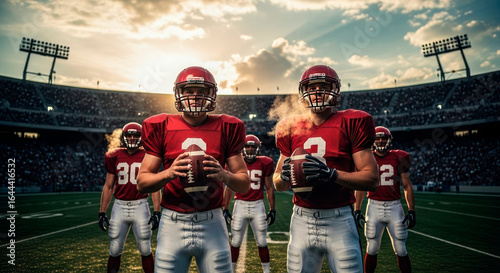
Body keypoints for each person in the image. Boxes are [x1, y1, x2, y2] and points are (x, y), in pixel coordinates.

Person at [136, 66, 251, 273]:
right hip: (173, 223)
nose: (195, 97)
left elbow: (244, 183)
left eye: (201, 91)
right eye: (189, 91)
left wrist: (224, 175)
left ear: (211, 95)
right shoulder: (161, 125)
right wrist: (169, 173)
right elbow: (142, 183)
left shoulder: (228, 126)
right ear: (179, 94)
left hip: (212, 222)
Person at [273, 64, 379, 273]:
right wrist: (283, 176)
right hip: (302, 219)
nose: (318, 91)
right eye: (312, 87)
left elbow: (372, 179)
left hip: (339, 219)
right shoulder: (291, 127)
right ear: (304, 93)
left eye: (324, 86)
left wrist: (331, 174)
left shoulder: (352, 121)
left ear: (335, 91)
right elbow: (278, 183)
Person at [99, 122, 161, 273]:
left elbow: (154, 187)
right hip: (119, 206)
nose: (132, 138)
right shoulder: (114, 156)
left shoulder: (148, 154)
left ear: (141, 137)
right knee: (114, 249)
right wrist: (102, 212)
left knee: (145, 248)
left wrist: (157, 211)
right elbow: (108, 186)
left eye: (136, 135)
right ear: (124, 137)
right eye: (129, 135)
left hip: (140, 205)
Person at [354, 126, 416, 273]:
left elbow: (407, 186)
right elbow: (361, 186)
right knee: (372, 247)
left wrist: (412, 210)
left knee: (401, 248)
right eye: (378, 138)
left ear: (389, 140)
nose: (381, 141)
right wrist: (357, 209)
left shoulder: (399, 156)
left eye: (384, 138)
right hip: (374, 206)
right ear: (373, 140)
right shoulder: (366, 157)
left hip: (395, 206)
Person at [223, 134, 276, 273]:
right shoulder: (235, 162)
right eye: (247, 146)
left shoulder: (266, 162)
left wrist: (272, 209)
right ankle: (231, 270)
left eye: (253, 146)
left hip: (258, 205)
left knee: (262, 242)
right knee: (235, 242)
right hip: (240, 204)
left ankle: (267, 271)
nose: (250, 149)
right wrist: (225, 208)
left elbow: (269, 187)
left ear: (258, 148)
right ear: (242, 147)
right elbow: (229, 186)